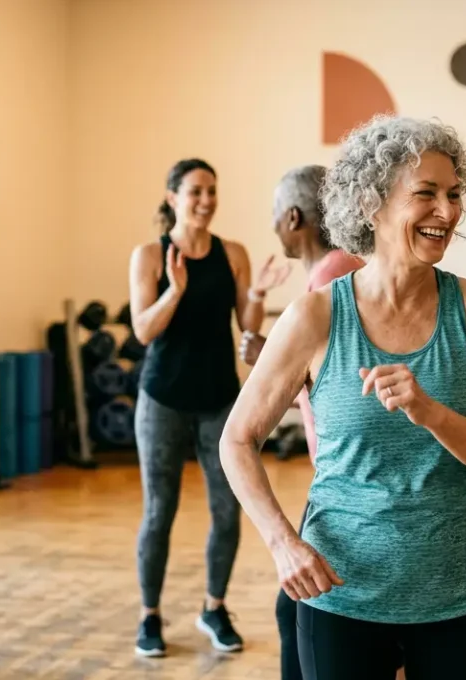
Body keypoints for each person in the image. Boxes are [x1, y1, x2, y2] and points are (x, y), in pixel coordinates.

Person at [219, 115, 466, 679]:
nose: (448, 211)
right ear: (369, 203)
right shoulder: (315, 315)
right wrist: (283, 543)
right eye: (426, 194)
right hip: (342, 595)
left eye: (454, 194)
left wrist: (429, 411)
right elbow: (237, 439)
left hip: (459, 597)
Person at [127, 158, 288, 658]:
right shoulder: (150, 257)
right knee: (160, 511)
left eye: (212, 191)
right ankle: (149, 616)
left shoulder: (232, 253)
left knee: (228, 510)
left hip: (220, 400)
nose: (206, 200)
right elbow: (143, 329)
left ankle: (214, 607)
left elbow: (247, 322)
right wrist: (176, 289)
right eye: (195, 191)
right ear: (172, 197)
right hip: (163, 401)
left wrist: (257, 294)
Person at [236, 164, 365, 680]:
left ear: (293, 217)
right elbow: (326, 394)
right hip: (336, 473)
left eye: (273, 215)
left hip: (346, 480)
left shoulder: (332, 274)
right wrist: (278, 375)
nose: (273, 225)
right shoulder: (331, 270)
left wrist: (275, 359)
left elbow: (354, 390)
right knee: (295, 608)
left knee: (299, 610)